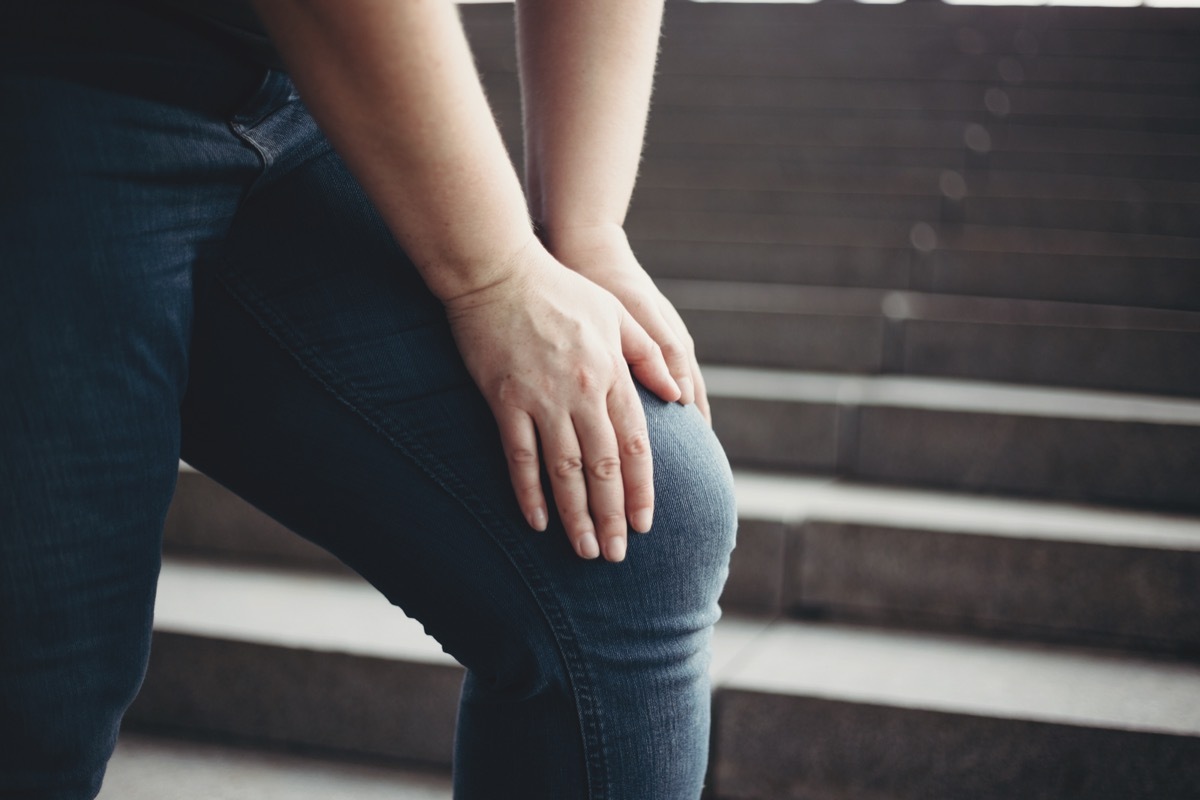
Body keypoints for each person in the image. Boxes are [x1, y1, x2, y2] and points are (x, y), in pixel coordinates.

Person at [0, 0, 738, 797]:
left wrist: (585, 228)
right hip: (50, 73)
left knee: (639, 536)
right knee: (40, 694)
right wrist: (495, 274)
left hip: (291, 95)